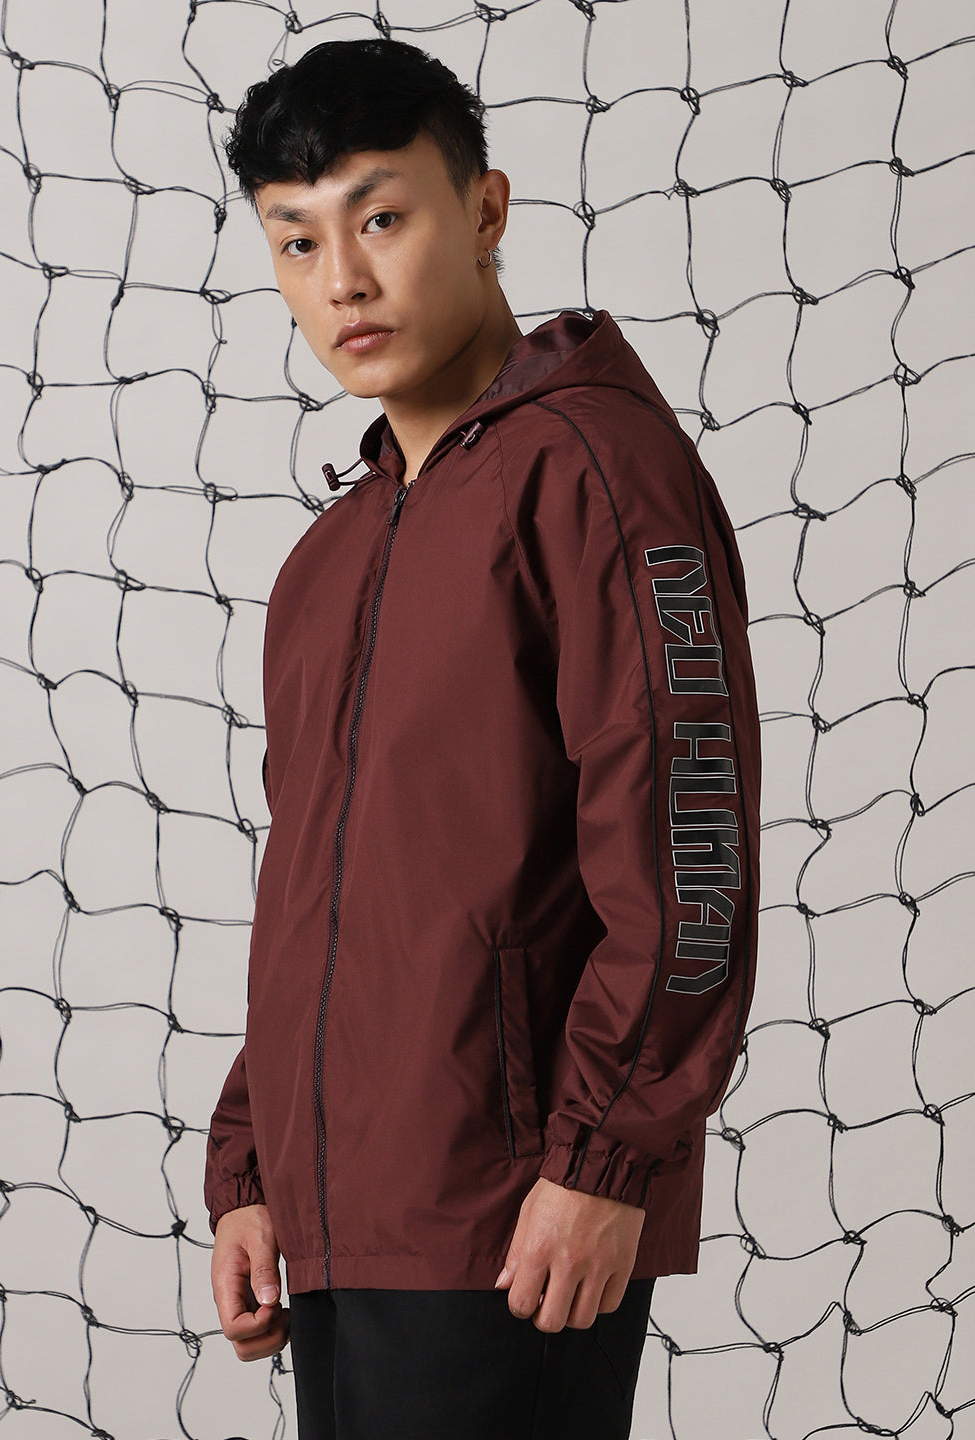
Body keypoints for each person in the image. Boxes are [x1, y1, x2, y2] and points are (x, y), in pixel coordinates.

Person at [204, 36, 760, 1440]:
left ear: (486, 210)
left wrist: (604, 1160)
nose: (343, 280)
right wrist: (254, 1164)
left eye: (383, 218)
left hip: (514, 1223)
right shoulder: (327, 561)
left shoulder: (599, 473)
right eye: (297, 241)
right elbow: (317, 895)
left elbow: (688, 844)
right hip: (340, 1221)